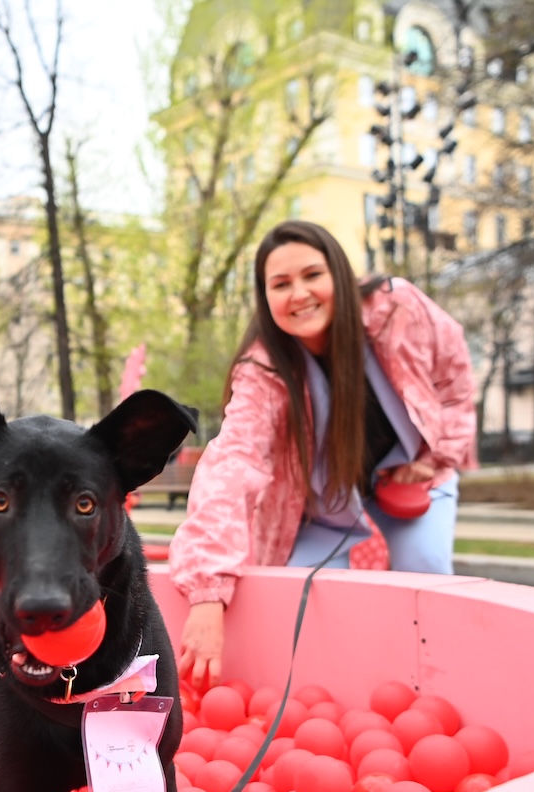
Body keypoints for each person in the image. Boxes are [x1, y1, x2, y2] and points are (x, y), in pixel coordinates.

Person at [170, 221, 476, 691]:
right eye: (281, 284)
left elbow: (452, 373)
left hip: (412, 482)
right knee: (302, 598)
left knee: (424, 567)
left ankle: (442, 686)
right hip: (325, 507)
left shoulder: (397, 308)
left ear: (337, 272)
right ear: (264, 296)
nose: (299, 294)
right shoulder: (264, 370)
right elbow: (231, 464)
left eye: (312, 275)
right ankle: (340, 692)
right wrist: (207, 594)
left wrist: (438, 456)